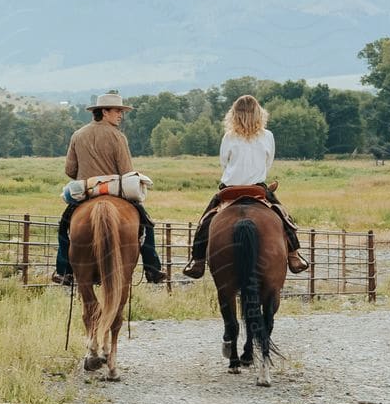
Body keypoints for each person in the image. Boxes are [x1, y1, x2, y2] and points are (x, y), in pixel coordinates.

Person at [182, 95, 310, 278]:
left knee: (206, 220)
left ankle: (197, 260)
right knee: (283, 216)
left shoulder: (228, 137)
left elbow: (224, 163)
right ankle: (294, 254)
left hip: (230, 189)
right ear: (259, 114)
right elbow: (268, 163)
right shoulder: (268, 136)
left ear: (234, 114)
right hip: (257, 189)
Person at [52, 92, 165, 285]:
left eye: (121, 111)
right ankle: (152, 269)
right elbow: (127, 172)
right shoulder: (117, 136)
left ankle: (64, 271)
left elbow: (70, 170)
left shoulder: (78, 135)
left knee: (64, 227)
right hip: (114, 191)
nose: (121, 115)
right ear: (104, 112)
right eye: (117, 111)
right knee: (146, 224)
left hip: (87, 192)